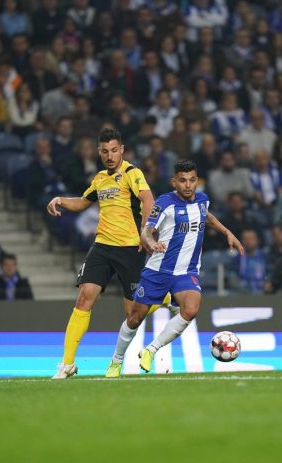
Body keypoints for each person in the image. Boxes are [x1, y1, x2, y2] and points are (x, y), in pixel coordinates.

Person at [46, 128, 171, 379]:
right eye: (105, 151)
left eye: (114, 150)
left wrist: (145, 233)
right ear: (99, 152)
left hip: (130, 248)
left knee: (132, 313)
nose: (110, 156)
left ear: (121, 150)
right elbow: (83, 202)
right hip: (102, 247)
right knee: (84, 298)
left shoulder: (132, 173)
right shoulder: (100, 178)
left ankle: (165, 298)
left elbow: (148, 200)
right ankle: (67, 364)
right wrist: (60, 200)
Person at [104, 159, 244, 377]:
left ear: (197, 180)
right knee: (134, 318)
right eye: (182, 180)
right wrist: (151, 242)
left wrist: (226, 231)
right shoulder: (164, 203)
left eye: (192, 180)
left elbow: (206, 215)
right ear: (174, 182)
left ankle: (151, 350)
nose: (188, 185)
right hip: (158, 271)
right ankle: (116, 361)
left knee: (191, 310)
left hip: (186, 272)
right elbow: (147, 230)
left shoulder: (202, 200)